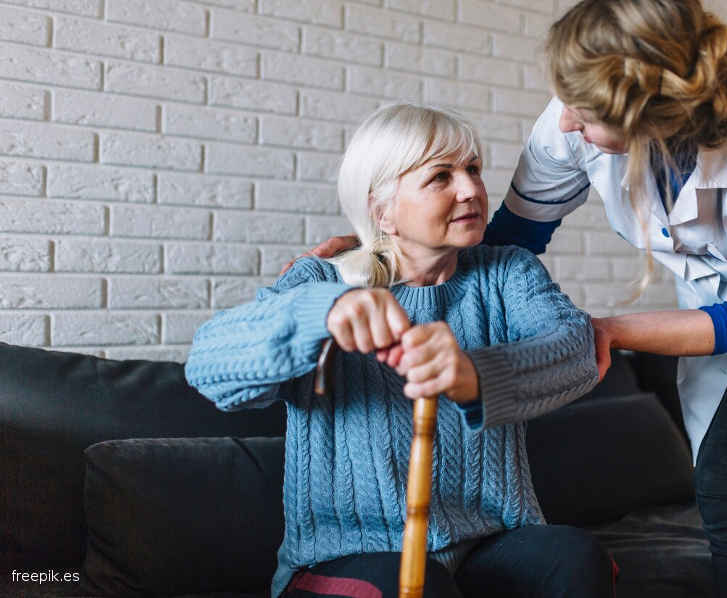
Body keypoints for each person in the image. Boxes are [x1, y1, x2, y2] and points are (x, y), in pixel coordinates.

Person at [296, 1, 727, 597]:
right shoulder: (574, 111)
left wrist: (608, 330)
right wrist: (384, 247)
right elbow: (514, 238)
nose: (563, 123)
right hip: (725, 270)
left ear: (648, 120)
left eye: (583, 116)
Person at [186, 104, 617, 598]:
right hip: (346, 556)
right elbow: (208, 366)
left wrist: (474, 375)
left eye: (473, 169)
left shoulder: (507, 273)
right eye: (441, 177)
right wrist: (317, 316)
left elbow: (578, 349)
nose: (472, 189)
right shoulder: (323, 280)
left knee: (571, 558)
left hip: (487, 546)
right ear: (382, 211)